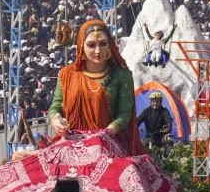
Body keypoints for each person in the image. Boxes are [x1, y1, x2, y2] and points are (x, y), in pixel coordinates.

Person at [47, 19, 143, 156]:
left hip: (108, 143)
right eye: (91, 45)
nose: (98, 50)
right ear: (81, 46)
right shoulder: (66, 75)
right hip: (70, 142)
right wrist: (56, 120)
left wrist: (106, 133)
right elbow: (55, 106)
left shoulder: (122, 75)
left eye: (103, 44)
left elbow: (124, 114)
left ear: (110, 44)